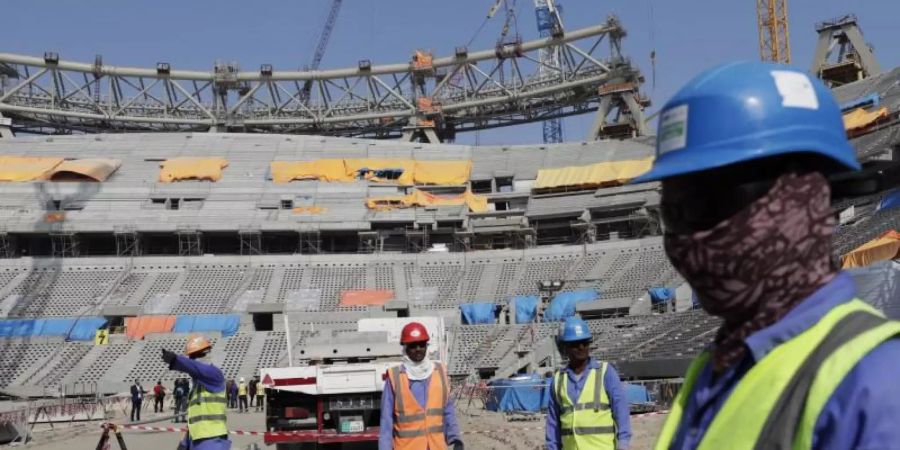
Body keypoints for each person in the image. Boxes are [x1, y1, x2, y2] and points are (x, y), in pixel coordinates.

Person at [631, 61, 900, 449]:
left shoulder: (874, 383)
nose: (690, 237)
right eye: (673, 214)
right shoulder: (713, 369)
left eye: (709, 203)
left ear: (805, 197)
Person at [545, 316, 631, 450]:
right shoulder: (558, 380)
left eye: (585, 342)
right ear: (565, 347)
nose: (581, 347)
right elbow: (553, 423)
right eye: (575, 343)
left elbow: (621, 411)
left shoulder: (606, 372)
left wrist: (623, 444)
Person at [379, 322, 463, 450]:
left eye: (422, 344)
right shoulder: (395, 377)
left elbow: (448, 410)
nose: (418, 348)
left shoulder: (440, 372)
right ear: (405, 348)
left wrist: (455, 438)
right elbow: (386, 420)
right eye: (413, 345)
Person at [162, 334, 231, 450]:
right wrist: (184, 444)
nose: (193, 360)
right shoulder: (196, 387)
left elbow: (197, 368)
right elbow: (196, 421)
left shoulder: (214, 375)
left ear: (207, 353)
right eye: (191, 357)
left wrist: (176, 360)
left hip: (212, 440)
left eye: (196, 355)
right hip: (196, 441)